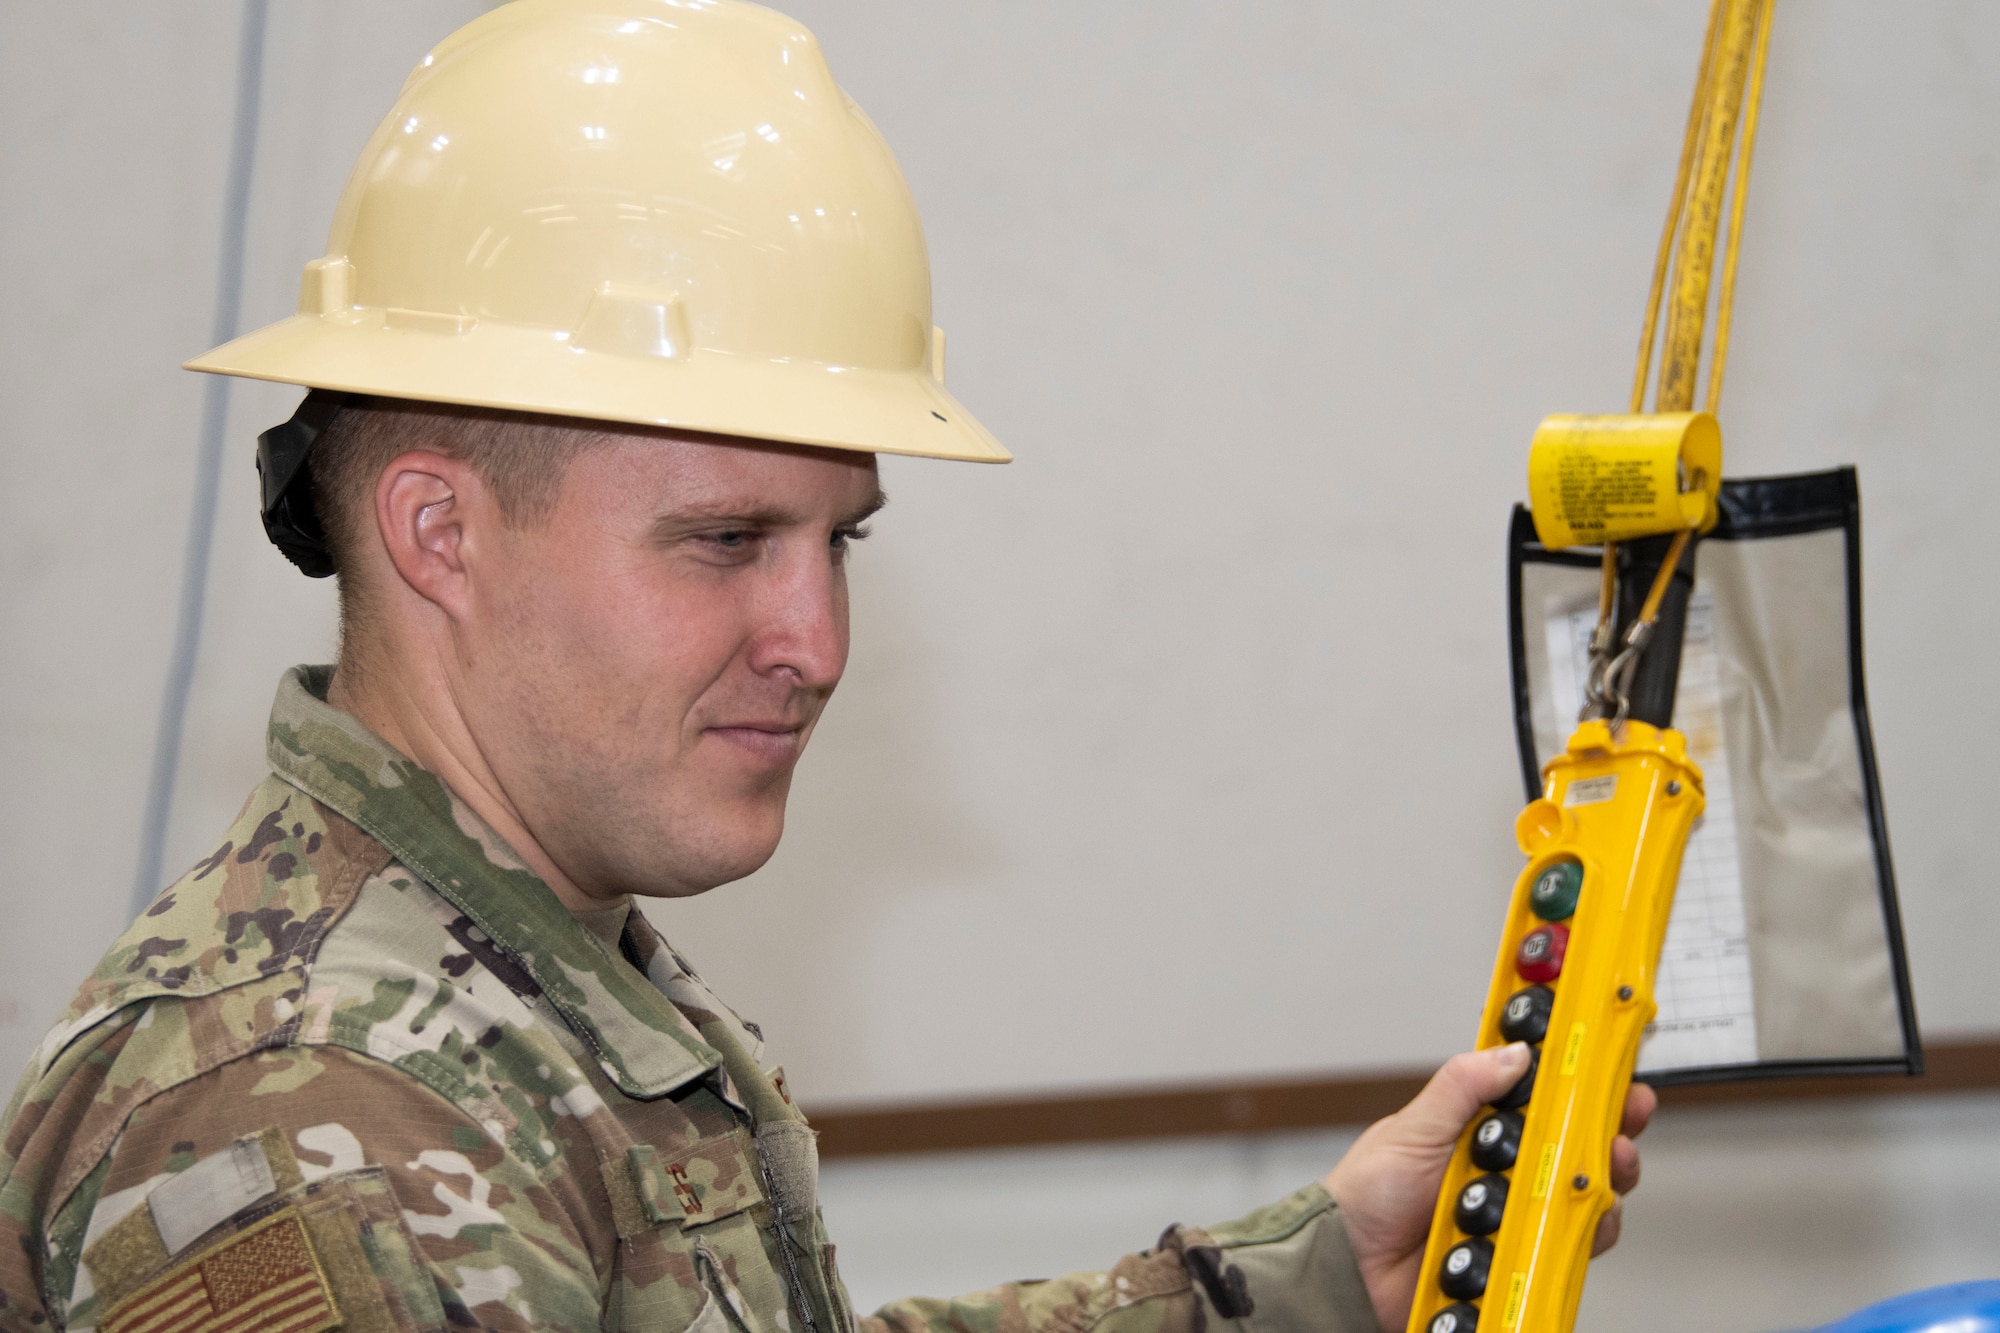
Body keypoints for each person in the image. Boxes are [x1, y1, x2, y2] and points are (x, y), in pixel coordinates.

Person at [0, 3, 1651, 1331]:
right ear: (439, 531)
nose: (818, 644)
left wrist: (1295, 1285)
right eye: (726, 540)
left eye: (840, 541)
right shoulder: (318, 1118)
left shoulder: (504, 986)